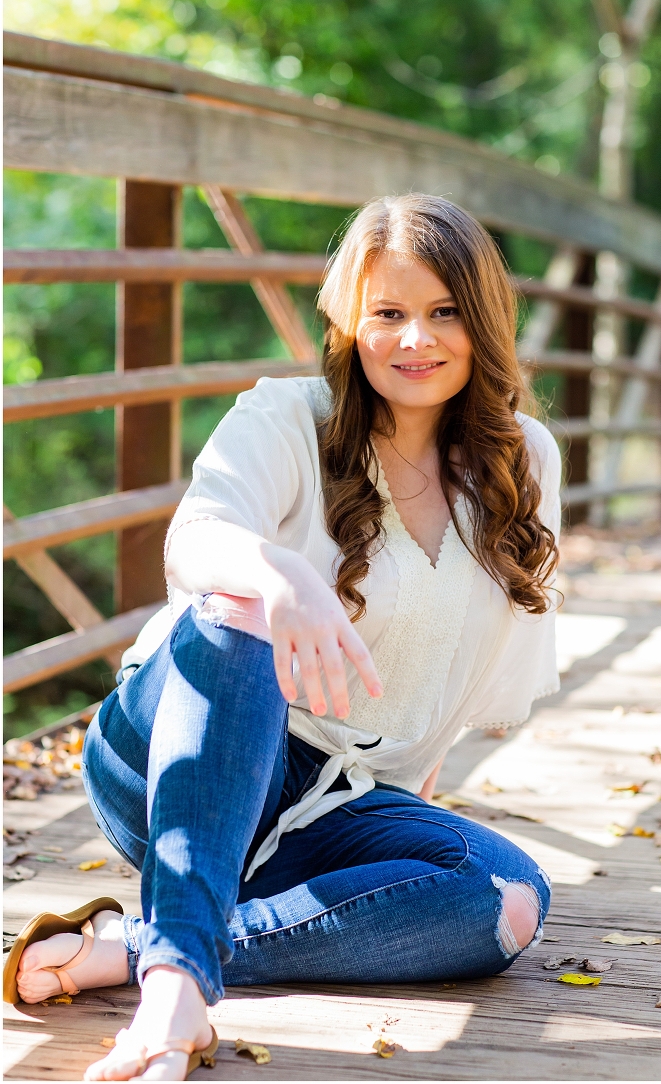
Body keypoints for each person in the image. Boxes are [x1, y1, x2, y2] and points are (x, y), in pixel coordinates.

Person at [7, 194, 561, 1081]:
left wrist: (401, 819)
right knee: (241, 607)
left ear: (483, 320)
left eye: (442, 312)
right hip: (178, 743)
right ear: (350, 321)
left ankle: (139, 941)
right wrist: (280, 573)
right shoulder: (287, 417)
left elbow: (466, 673)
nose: (414, 339)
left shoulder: (522, 458)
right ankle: (175, 991)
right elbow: (195, 539)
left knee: (505, 903)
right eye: (388, 313)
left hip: (331, 795)